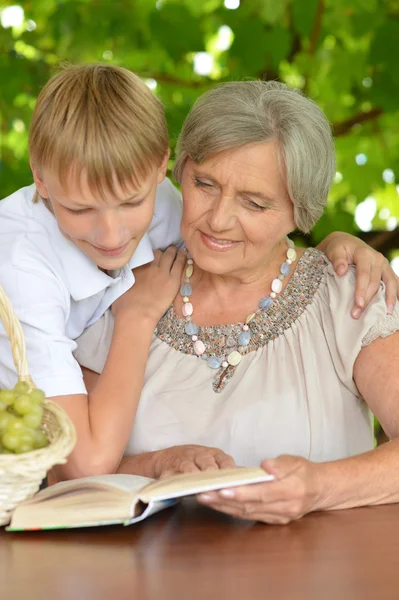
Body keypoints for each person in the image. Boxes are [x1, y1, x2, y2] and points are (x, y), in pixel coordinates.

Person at [0, 64, 396, 480]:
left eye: (255, 203)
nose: (219, 220)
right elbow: (72, 469)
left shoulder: (348, 294)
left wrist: (316, 488)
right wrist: (156, 464)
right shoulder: (114, 280)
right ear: (180, 171)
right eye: (205, 185)